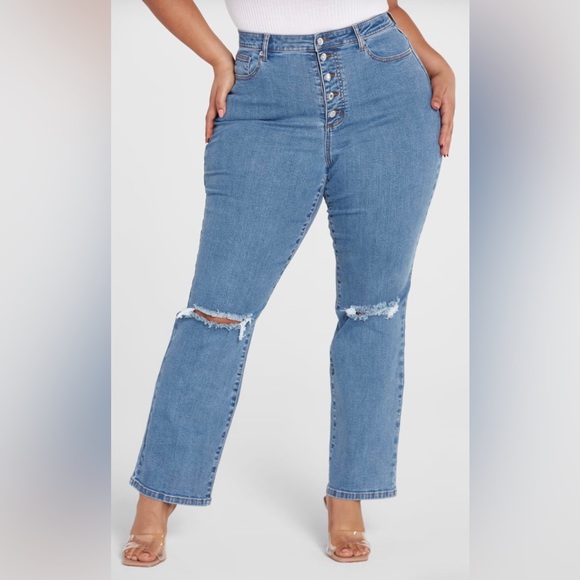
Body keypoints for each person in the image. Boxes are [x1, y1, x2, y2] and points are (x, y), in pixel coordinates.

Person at [122, 0, 455, 566]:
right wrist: (218, 59)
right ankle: (157, 493)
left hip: (387, 84)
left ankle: (349, 492)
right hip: (264, 91)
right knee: (216, 313)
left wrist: (431, 59)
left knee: (373, 310)